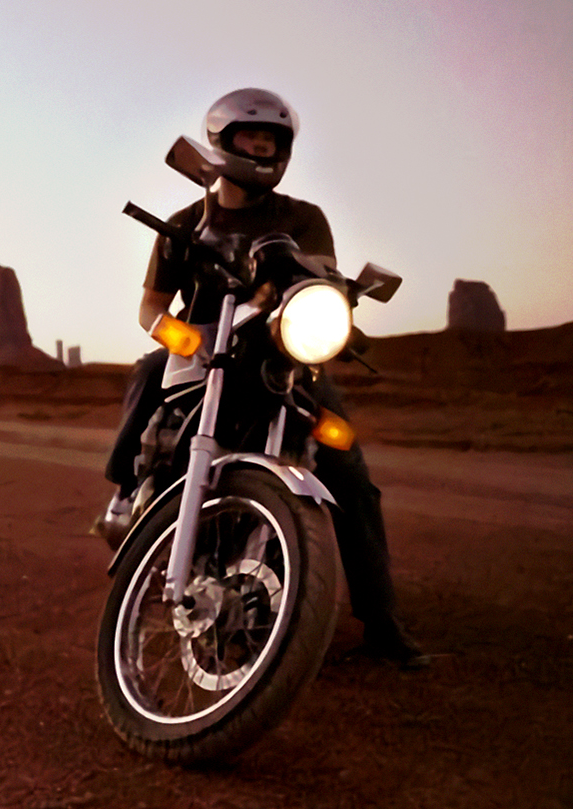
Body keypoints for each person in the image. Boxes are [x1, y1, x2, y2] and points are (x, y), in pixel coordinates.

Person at [99, 88, 430, 669]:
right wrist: (181, 336)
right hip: (201, 352)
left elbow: (323, 280)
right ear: (223, 144)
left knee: (348, 467)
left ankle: (381, 619)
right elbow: (150, 305)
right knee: (148, 372)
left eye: (273, 141)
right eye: (253, 139)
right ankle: (125, 495)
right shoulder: (184, 223)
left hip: (280, 355)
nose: (263, 148)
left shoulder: (302, 218)